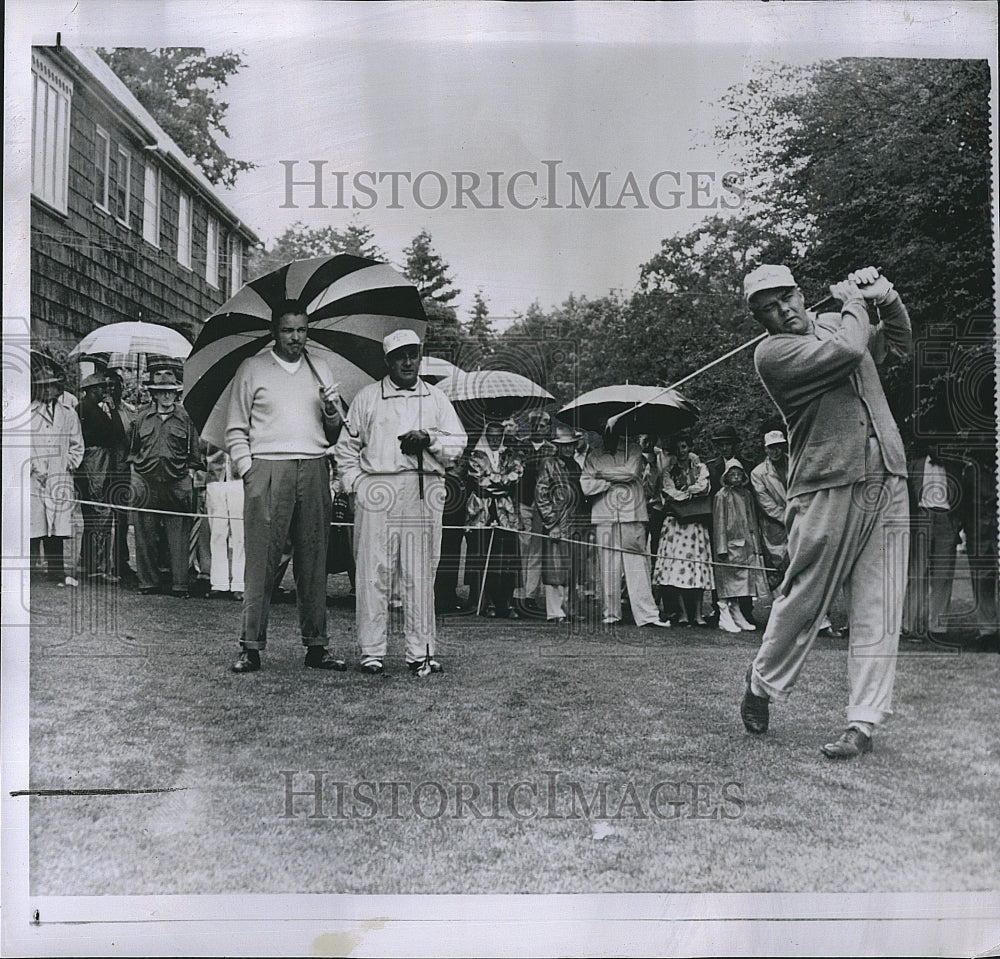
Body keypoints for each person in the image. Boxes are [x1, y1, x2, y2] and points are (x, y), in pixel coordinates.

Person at [739, 264, 911, 759]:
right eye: (769, 309)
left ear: (799, 293)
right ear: (761, 321)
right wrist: (855, 303)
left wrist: (887, 297)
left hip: (887, 474)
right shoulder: (773, 354)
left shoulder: (841, 321)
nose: (784, 312)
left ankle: (863, 723)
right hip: (824, 483)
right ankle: (762, 681)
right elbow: (850, 351)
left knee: (879, 605)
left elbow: (897, 345)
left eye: (787, 298)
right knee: (804, 597)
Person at [334, 329, 467, 675]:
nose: (408, 362)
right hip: (377, 488)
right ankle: (372, 650)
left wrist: (429, 440)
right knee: (373, 571)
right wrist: (356, 486)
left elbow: (457, 443)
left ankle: (421, 651)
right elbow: (345, 450)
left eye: (413, 354)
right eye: (400, 356)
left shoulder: (436, 398)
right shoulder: (367, 398)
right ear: (388, 361)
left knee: (421, 572)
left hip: (422, 489)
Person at [226, 300, 347, 673]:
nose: (296, 337)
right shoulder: (253, 368)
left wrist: (331, 410)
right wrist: (249, 470)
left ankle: (316, 646)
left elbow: (335, 431)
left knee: (314, 560)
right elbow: (235, 427)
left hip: (313, 466)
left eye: (302, 330)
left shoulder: (321, 368)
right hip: (268, 468)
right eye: (288, 330)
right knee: (263, 561)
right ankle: (251, 646)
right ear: (274, 332)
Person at [750, 428, 843, 638]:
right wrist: (791, 519)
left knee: (811, 570)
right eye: (771, 447)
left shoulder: (798, 463)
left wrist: (804, 518)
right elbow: (766, 504)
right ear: (765, 449)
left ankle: (821, 621)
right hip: (776, 529)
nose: (775, 451)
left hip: (805, 522)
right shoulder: (758, 473)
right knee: (779, 575)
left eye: (779, 447)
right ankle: (787, 623)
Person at [127, 361, 204, 598]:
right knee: (145, 535)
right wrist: (135, 478)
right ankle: (147, 583)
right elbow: (132, 451)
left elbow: (195, 456)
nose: (167, 396)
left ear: (177, 393)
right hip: (147, 483)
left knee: (179, 538)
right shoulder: (141, 419)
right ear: (154, 394)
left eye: (171, 391)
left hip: (177, 482)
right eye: (162, 392)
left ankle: (180, 585)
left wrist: (189, 477)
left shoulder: (187, 419)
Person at [580, 426, 670, 628]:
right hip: (604, 514)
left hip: (631, 514)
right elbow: (586, 485)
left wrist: (601, 474)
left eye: (612, 431)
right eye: (605, 432)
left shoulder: (634, 450)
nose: (609, 435)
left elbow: (630, 473)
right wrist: (604, 484)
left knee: (637, 564)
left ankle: (647, 615)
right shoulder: (593, 454)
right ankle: (611, 614)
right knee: (607, 565)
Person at [30, 360, 84, 586]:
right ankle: (30, 570)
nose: (47, 390)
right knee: (33, 525)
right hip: (32, 478)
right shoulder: (26, 412)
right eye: (43, 386)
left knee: (56, 528)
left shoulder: (68, 413)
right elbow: (19, 444)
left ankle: (56, 571)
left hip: (59, 477)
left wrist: (66, 465)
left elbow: (77, 444)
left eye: (51, 385)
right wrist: (35, 468)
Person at [653, 434, 715, 626]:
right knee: (676, 568)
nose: (681, 451)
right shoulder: (669, 471)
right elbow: (669, 492)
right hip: (676, 523)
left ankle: (697, 613)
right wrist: (688, 492)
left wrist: (688, 491)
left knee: (697, 565)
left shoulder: (699, 467)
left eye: (684, 447)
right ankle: (681, 612)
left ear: (689, 448)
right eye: (678, 448)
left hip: (695, 522)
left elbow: (704, 486)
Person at [901, 448, 962, 641]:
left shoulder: (953, 465)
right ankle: (910, 626)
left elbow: (964, 491)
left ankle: (937, 627)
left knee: (943, 575)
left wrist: (956, 523)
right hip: (922, 516)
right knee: (917, 573)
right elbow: (908, 495)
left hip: (946, 517)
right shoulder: (915, 464)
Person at [465, 419, 523, 619]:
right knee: (483, 555)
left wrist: (496, 479)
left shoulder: (510, 454)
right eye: (492, 437)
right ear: (486, 436)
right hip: (482, 511)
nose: (495, 440)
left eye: (499, 437)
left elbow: (518, 474)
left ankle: (506, 602)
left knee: (507, 557)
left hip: (506, 512)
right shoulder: (475, 455)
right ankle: (486, 601)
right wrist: (503, 480)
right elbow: (480, 483)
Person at [712, 458, 770, 632]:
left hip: (747, 545)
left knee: (741, 583)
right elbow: (719, 524)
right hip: (729, 546)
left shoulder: (747, 494)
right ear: (726, 476)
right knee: (727, 581)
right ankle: (724, 615)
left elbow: (752, 520)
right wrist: (721, 547)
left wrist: (756, 545)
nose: (736, 477)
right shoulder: (722, 496)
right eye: (732, 474)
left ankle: (737, 613)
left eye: (739, 474)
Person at [534, 424, 584, 623]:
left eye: (571, 445)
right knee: (555, 568)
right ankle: (554, 611)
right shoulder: (549, 464)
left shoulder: (576, 465)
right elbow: (541, 494)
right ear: (558, 446)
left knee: (572, 568)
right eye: (565, 446)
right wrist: (551, 523)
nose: (569, 449)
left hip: (574, 523)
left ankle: (568, 608)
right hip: (557, 521)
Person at [76, 371, 119, 582]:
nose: (106, 391)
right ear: (93, 390)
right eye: (102, 388)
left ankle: (87, 564)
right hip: (94, 462)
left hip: (93, 462)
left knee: (93, 514)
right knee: (100, 512)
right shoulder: (87, 410)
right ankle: (98, 567)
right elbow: (115, 435)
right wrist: (112, 410)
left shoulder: (88, 409)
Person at [513, 409, 552, 611]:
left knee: (536, 550)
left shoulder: (552, 450)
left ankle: (530, 594)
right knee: (521, 547)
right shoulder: (520, 446)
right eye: (535, 424)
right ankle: (518, 592)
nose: (539, 428)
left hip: (542, 506)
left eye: (543, 425)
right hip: (522, 502)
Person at [204, 444, 245, 600]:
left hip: (239, 479)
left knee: (240, 533)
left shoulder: (246, 420)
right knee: (217, 533)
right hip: (215, 480)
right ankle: (219, 583)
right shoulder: (210, 423)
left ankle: (240, 583)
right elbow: (200, 447)